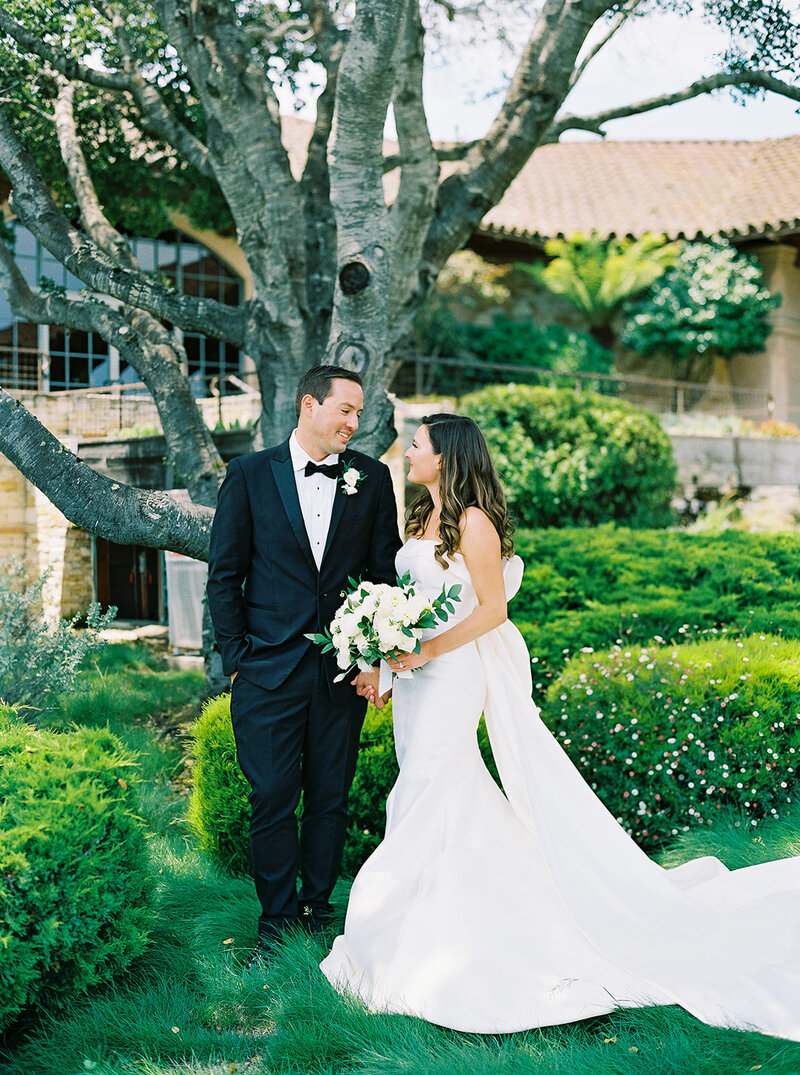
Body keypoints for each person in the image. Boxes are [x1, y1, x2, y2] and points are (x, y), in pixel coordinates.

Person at [320, 412, 800, 1040]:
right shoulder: (418, 518)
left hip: (452, 674)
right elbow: (409, 604)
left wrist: (429, 651)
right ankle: (443, 910)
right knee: (437, 786)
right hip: (415, 680)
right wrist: (388, 661)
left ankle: (401, 921)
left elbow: (493, 610)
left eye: (418, 445)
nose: (408, 452)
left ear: (447, 458)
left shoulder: (474, 522)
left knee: (427, 785)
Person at [207, 365, 402, 960]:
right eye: (345, 410)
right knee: (271, 797)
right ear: (309, 406)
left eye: (359, 413)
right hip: (266, 672)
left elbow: (383, 576)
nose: (354, 422)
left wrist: (372, 658)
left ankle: (317, 910)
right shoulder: (248, 475)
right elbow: (224, 576)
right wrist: (238, 659)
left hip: (342, 672)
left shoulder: (372, 478)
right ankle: (276, 920)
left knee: (328, 796)